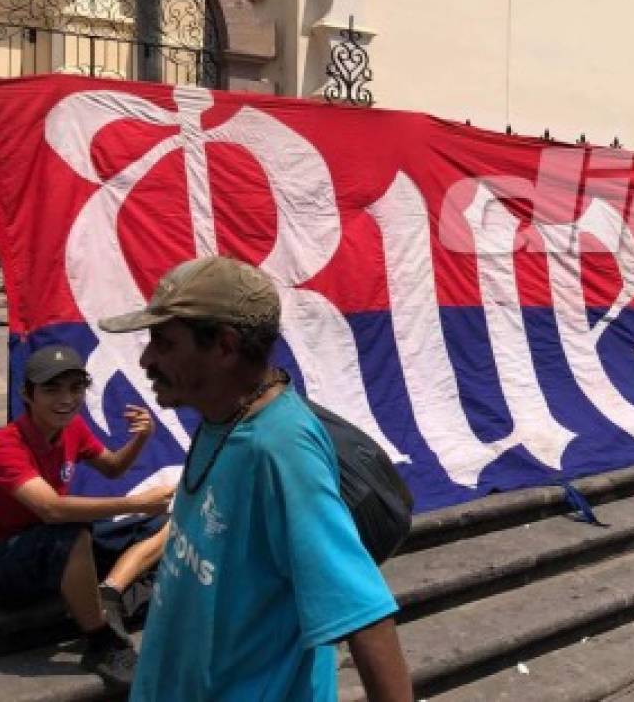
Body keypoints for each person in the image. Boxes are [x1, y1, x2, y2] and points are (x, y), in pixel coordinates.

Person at [99, 256, 413, 702]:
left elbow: (366, 616)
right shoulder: (220, 418)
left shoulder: (280, 449)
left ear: (225, 347)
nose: (147, 359)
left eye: (164, 344)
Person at [0, 344, 172, 689]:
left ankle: (110, 591)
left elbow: (113, 468)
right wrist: (136, 502)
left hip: (52, 542)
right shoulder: (6, 444)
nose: (66, 399)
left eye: (76, 388)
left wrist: (141, 438)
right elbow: (51, 509)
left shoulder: (72, 429)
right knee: (73, 531)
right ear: (26, 394)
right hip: (9, 557)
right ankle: (101, 641)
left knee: (166, 525)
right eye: (52, 389)